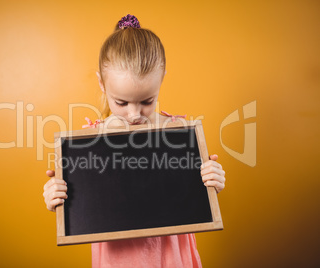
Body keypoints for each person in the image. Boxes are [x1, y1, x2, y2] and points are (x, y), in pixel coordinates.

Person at [43, 14, 226, 268]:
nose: (134, 114)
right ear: (102, 84)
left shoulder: (176, 133)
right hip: (120, 260)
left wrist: (210, 178)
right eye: (121, 102)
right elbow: (83, 205)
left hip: (171, 257)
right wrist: (59, 196)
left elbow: (192, 194)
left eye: (147, 101)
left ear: (161, 80)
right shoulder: (88, 144)